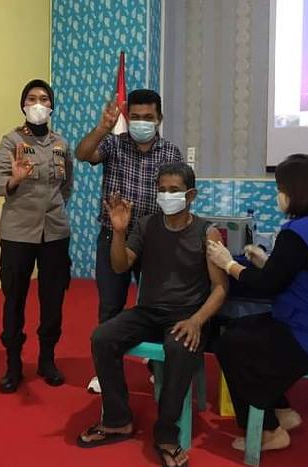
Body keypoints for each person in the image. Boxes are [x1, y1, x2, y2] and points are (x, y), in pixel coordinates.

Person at [77, 162, 227, 467]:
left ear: (190, 195)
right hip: (148, 311)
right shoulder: (146, 225)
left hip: (186, 316)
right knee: (102, 337)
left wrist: (197, 321)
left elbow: (221, 288)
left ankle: (166, 434)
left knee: (179, 348)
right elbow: (120, 265)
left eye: (174, 190)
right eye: (162, 190)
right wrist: (119, 232)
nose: (166, 196)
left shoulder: (207, 233)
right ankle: (117, 419)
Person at [206, 153, 308, 452]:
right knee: (240, 329)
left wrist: (228, 264)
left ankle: (268, 431)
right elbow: (299, 273)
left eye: (280, 188)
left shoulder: (297, 233)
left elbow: (267, 287)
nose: (278, 195)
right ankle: (283, 411)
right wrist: (267, 263)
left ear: (295, 191)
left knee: (229, 345)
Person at [75, 89, 183, 393]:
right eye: (135, 117)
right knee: (110, 306)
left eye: (148, 117)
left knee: (157, 307)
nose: (141, 123)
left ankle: (156, 366)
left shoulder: (170, 153)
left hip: (155, 241)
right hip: (114, 237)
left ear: (159, 118)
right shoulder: (114, 143)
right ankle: (106, 372)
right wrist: (102, 128)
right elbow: (83, 154)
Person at [0, 79, 73, 394]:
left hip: (54, 232)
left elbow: (67, 186)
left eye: (44, 99)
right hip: (18, 232)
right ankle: (13, 364)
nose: (38, 104)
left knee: (53, 299)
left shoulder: (61, 143)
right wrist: (14, 179)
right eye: (32, 98)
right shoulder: (11, 141)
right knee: (14, 298)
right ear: (23, 105)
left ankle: (47, 360)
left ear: (52, 107)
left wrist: (54, 209)